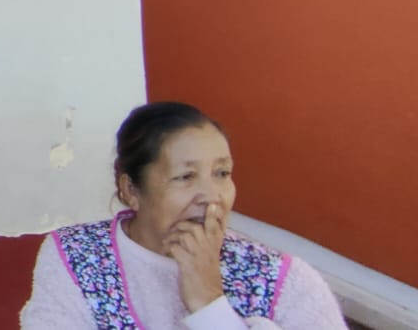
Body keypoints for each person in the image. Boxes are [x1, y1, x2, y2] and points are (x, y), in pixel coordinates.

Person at [19, 101, 348, 329]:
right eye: (185, 177)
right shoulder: (78, 256)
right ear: (131, 190)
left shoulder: (280, 280)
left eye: (222, 173)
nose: (211, 197)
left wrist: (209, 303)